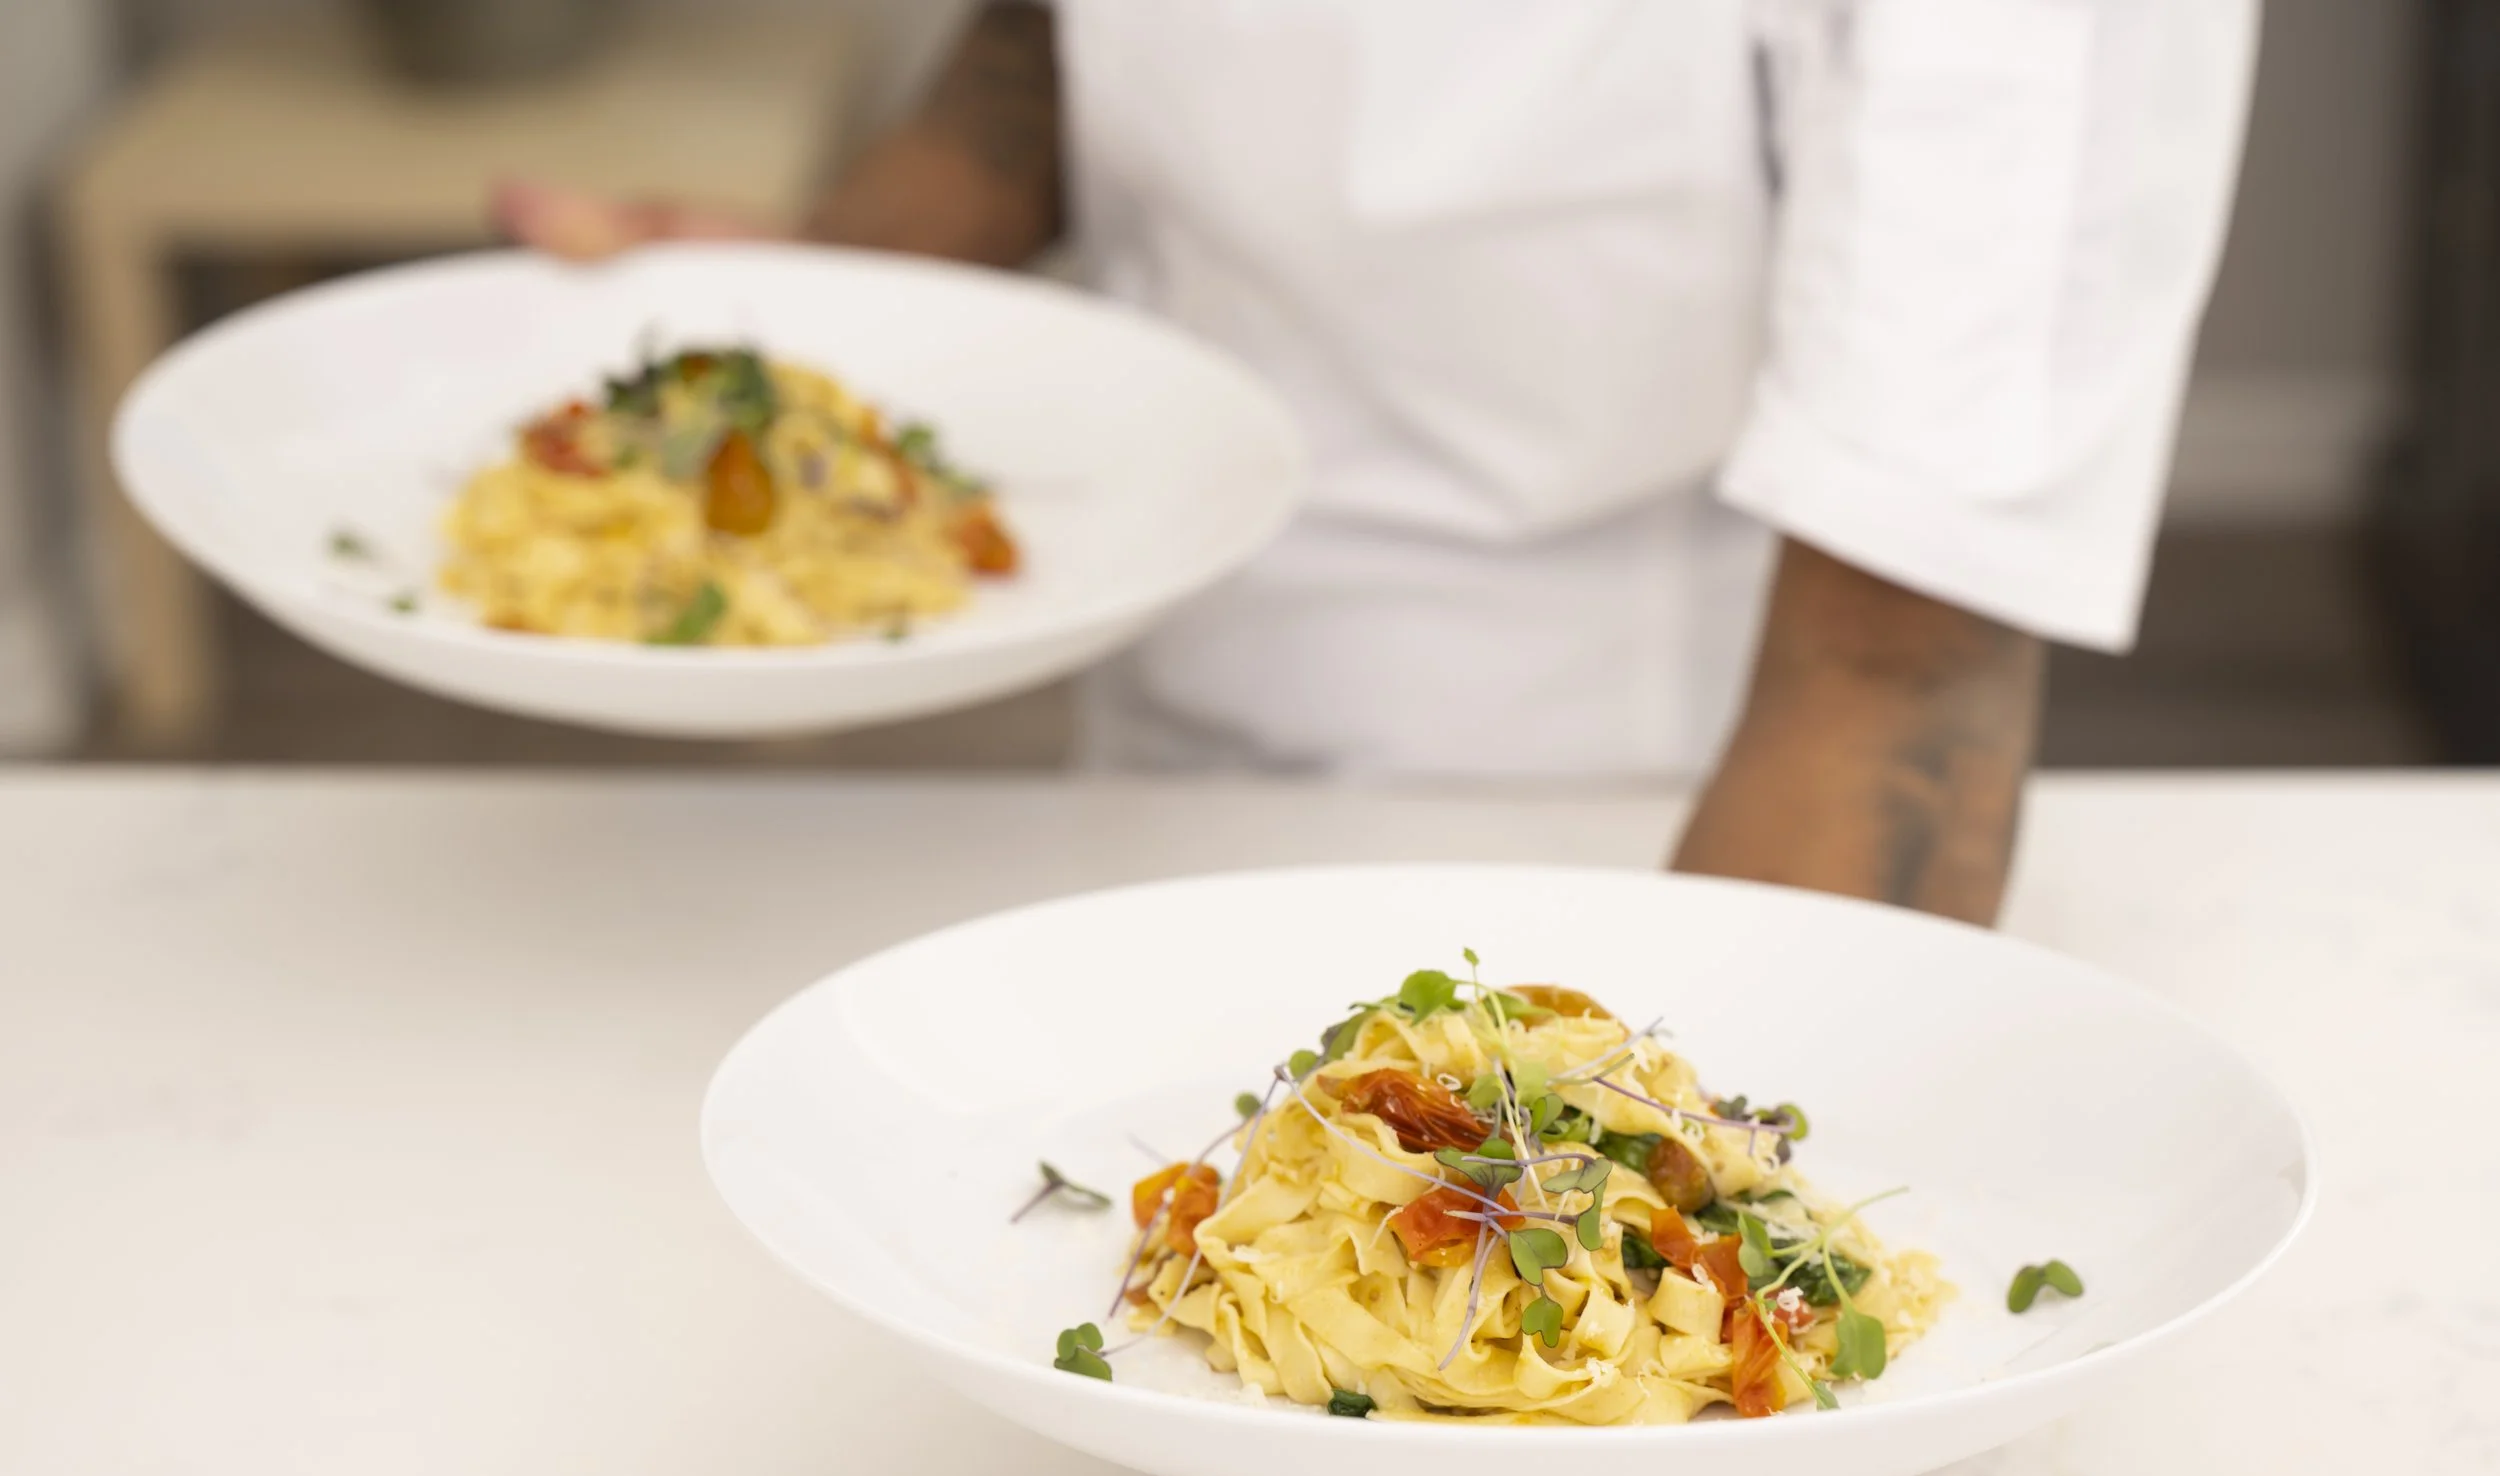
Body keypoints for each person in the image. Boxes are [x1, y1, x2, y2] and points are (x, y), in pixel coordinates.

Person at [497, 0, 2256, 927]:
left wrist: (1612, 1223)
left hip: (1646, 818)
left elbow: (1894, 669)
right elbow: (1065, 35)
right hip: (1148, 751)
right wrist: (794, 349)